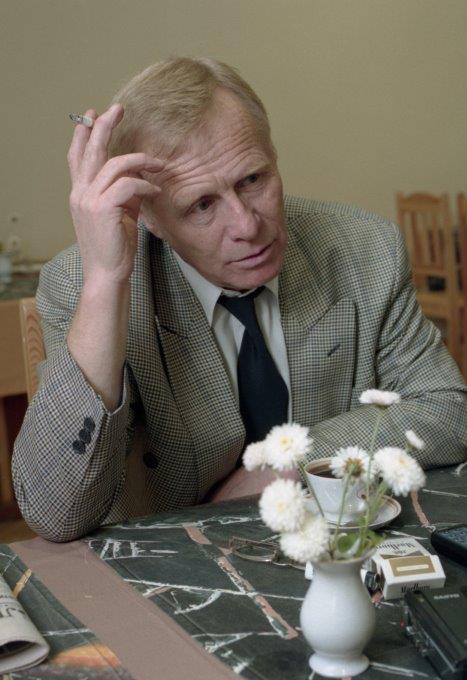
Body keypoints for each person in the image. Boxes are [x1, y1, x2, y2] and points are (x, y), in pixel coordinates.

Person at [12, 57, 467, 542]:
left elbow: (448, 411)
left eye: (253, 180)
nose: (248, 226)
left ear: (273, 155)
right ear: (149, 219)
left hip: (335, 549)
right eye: (202, 205)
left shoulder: (365, 248)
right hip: (177, 567)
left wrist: (286, 463)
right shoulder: (86, 284)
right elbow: (56, 513)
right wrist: (106, 281)